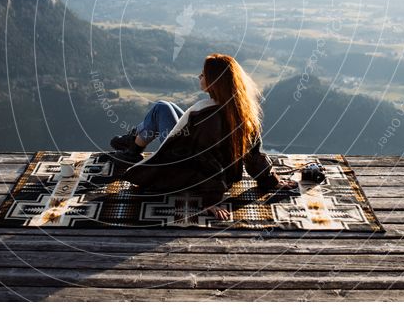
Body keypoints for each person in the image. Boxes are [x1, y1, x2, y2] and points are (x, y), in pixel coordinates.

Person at [109, 53, 297, 220]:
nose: (200, 76)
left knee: (161, 108)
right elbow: (253, 154)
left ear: (215, 81)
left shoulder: (208, 118)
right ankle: (133, 143)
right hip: (218, 173)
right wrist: (270, 181)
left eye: (204, 74)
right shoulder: (242, 111)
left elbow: (205, 160)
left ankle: (134, 145)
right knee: (167, 107)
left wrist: (211, 199)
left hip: (186, 169)